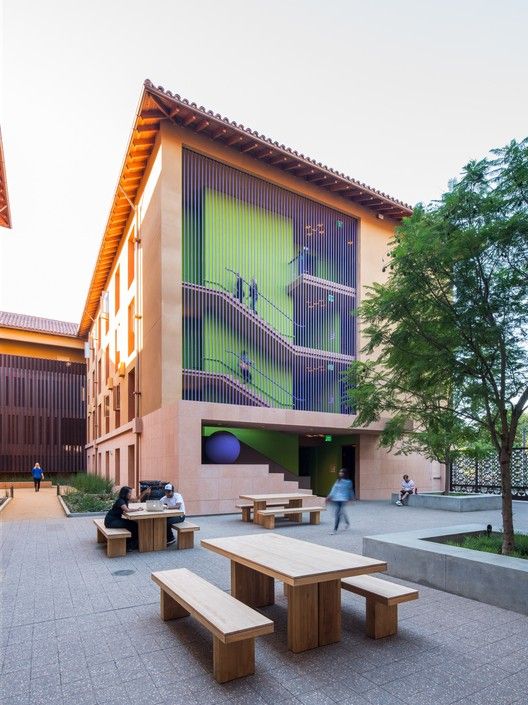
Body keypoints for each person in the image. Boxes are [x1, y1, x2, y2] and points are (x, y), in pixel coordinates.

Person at [104, 486, 141, 551]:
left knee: (134, 524)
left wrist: (145, 493)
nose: (130, 494)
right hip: (111, 521)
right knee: (133, 526)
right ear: (125, 493)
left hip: (115, 519)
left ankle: (132, 543)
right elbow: (127, 510)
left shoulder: (124, 500)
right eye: (129, 493)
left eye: (130, 493)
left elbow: (136, 499)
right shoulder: (120, 501)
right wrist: (137, 509)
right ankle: (129, 546)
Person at [327, 468, 354, 534]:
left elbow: (350, 490)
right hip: (336, 498)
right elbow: (333, 489)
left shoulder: (348, 482)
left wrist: (351, 498)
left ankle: (335, 530)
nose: (340, 473)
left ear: (345, 474)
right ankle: (347, 522)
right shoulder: (338, 481)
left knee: (337, 513)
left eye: (342, 472)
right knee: (340, 512)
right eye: (340, 472)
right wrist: (329, 496)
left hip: (343, 499)